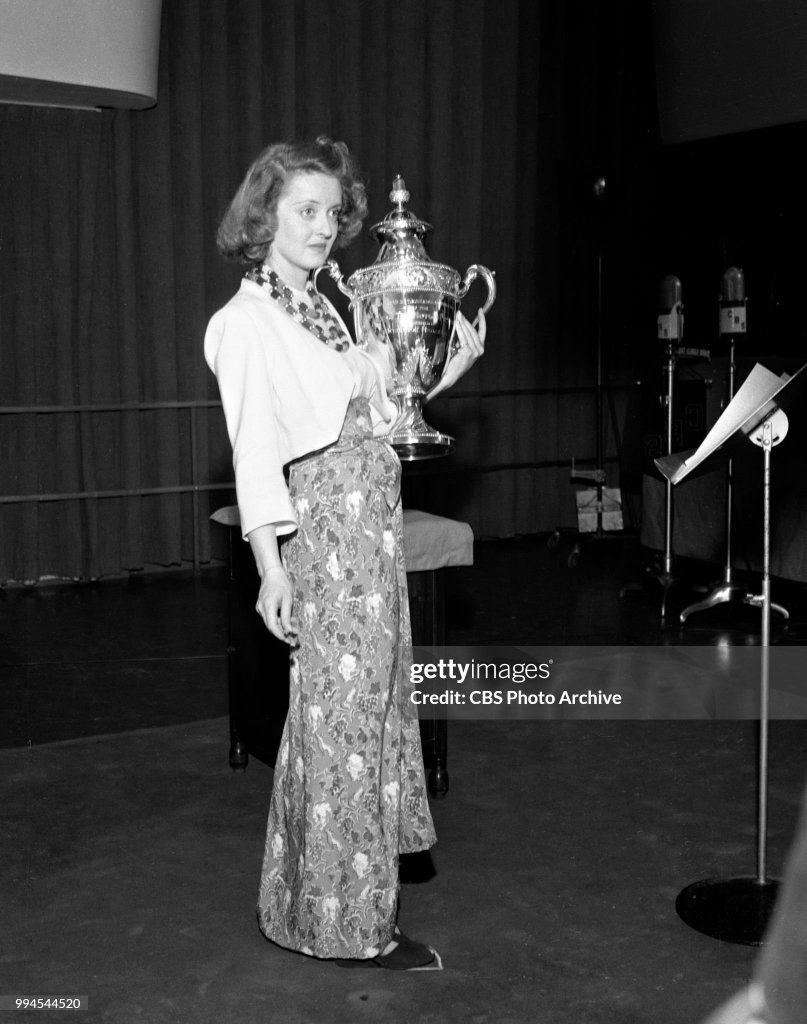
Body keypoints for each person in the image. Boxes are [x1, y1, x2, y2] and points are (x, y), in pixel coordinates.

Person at [204, 136, 486, 969]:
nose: (324, 227)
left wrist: (445, 369)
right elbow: (256, 453)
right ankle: (354, 929)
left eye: (332, 212)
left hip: (372, 534)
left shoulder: (324, 308)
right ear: (264, 216)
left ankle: (304, 909)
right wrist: (270, 570)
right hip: (325, 541)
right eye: (305, 210)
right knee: (342, 731)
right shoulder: (243, 322)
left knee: (359, 718)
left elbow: (379, 413)